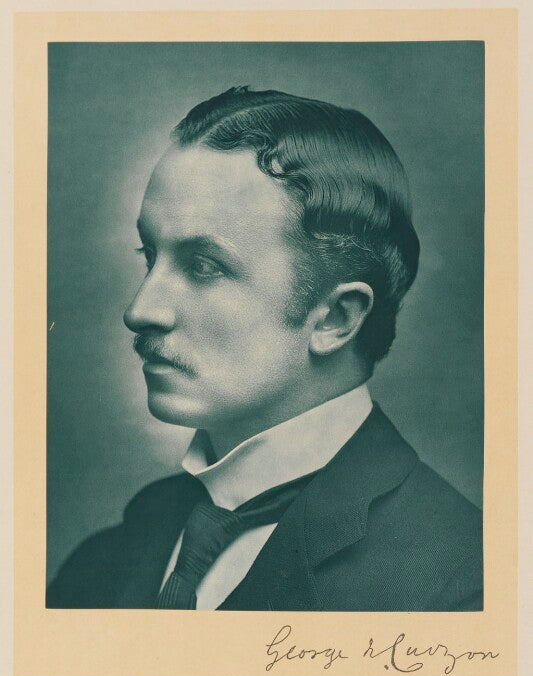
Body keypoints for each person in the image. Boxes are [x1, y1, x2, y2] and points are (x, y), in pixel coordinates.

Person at [46, 87, 482, 611]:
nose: (140, 311)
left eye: (203, 266)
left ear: (337, 318)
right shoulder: (106, 559)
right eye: (150, 255)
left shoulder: (464, 584)